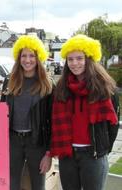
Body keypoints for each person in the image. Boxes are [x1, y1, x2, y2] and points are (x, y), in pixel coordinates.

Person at [51, 34, 120, 190]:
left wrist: (103, 149)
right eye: (70, 59)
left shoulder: (105, 89)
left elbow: (113, 124)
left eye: (79, 58)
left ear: (88, 59)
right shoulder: (61, 88)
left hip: (93, 155)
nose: (75, 63)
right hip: (67, 154)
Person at [1, 35, 53, 190]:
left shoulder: (47, 84)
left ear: (38, 58)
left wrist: (49, 153)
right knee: (11, 185)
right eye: (24, 55)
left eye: (32, 56)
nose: (27, 60)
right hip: (13, 141)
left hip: (37, 142)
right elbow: (1, 115)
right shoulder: (9, 80)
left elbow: (52, 121)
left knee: (38, 186)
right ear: (19, 58)